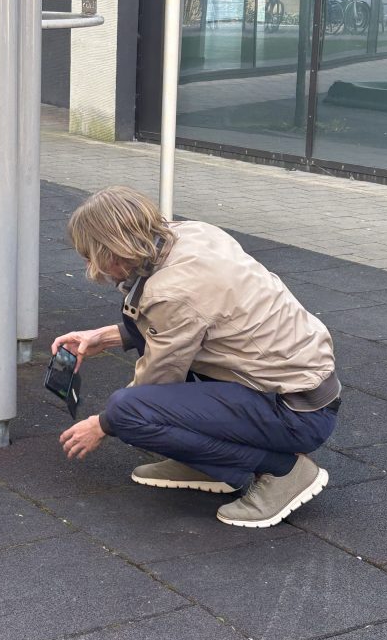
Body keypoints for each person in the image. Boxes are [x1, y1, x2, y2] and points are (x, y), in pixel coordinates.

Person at [51, 186, 341, 529]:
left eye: (89, 256)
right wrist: (106, 336)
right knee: (140, 390)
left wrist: (101, 424)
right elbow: (197, 321)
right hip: (300, 390)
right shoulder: (191, 234)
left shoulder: (170, 291)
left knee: (127, 411)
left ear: (111, 253)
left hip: (293, 414)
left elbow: (159, 378)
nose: (89, 265)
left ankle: (283, 471)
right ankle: (206, 463)